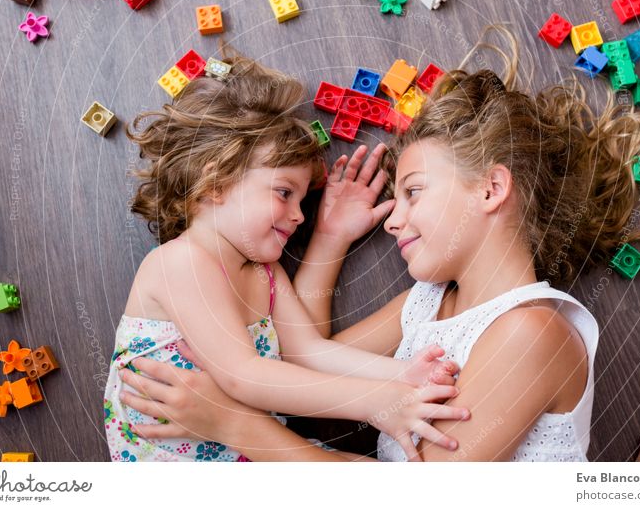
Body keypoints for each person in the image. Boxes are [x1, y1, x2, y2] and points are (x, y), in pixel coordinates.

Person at [120, 26, 640, 462]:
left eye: (414, 191)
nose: (393, 219)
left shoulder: (531, 334)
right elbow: (302, 362)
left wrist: (235, 425)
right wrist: (329, 237)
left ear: (492, 188)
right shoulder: (426, 303)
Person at [104, 51, 470, 463]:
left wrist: (402, 375)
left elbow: (310, 351)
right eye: (283, 192)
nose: (298, 215)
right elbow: (245, 375)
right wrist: (376, 401)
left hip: (245, 450)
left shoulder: (265, 271)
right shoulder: (179, 263)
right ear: (216, 181)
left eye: (300, 198)